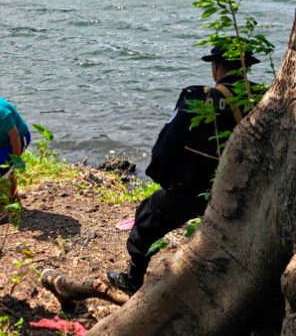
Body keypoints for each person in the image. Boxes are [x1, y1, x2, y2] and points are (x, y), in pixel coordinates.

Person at [106, 45, 261, 294]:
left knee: (147, 217)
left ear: (216, 66)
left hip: (194, 188)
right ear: (247, 68)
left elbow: (166, 147)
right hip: (247, 192)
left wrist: (167, 181)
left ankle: (133, 278)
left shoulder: (199, 96)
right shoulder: (264, 98)